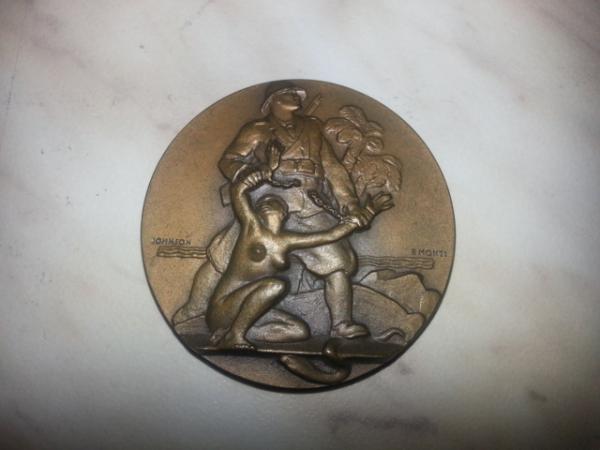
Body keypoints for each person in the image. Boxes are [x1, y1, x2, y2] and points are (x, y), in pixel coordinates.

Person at [174, 81, 374, 339]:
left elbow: (333, 169)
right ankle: (194, 309)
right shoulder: (257, 129)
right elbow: (229, 161)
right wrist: (249, 174)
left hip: (310, 203)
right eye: (289, 94)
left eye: (297, 94)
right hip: (269, 203)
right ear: (273, 101)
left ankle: (341, 324)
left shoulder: (312, 127)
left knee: (337, 261)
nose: (296, 96)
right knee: (225, 254)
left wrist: (351, 205)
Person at [207, 168, 392, 350]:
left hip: (249, 308)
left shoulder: (287, 240)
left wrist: (368, 212)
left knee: (298, 331)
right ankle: (235, 335)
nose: (265, 203)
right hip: (224, 307)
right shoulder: (252, 228)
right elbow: (238, 191)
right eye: (262, 202)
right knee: (275, 286)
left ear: (284, 214)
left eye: (273, 202)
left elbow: (330, 235)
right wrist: (260, 175)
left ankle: (230, 333)